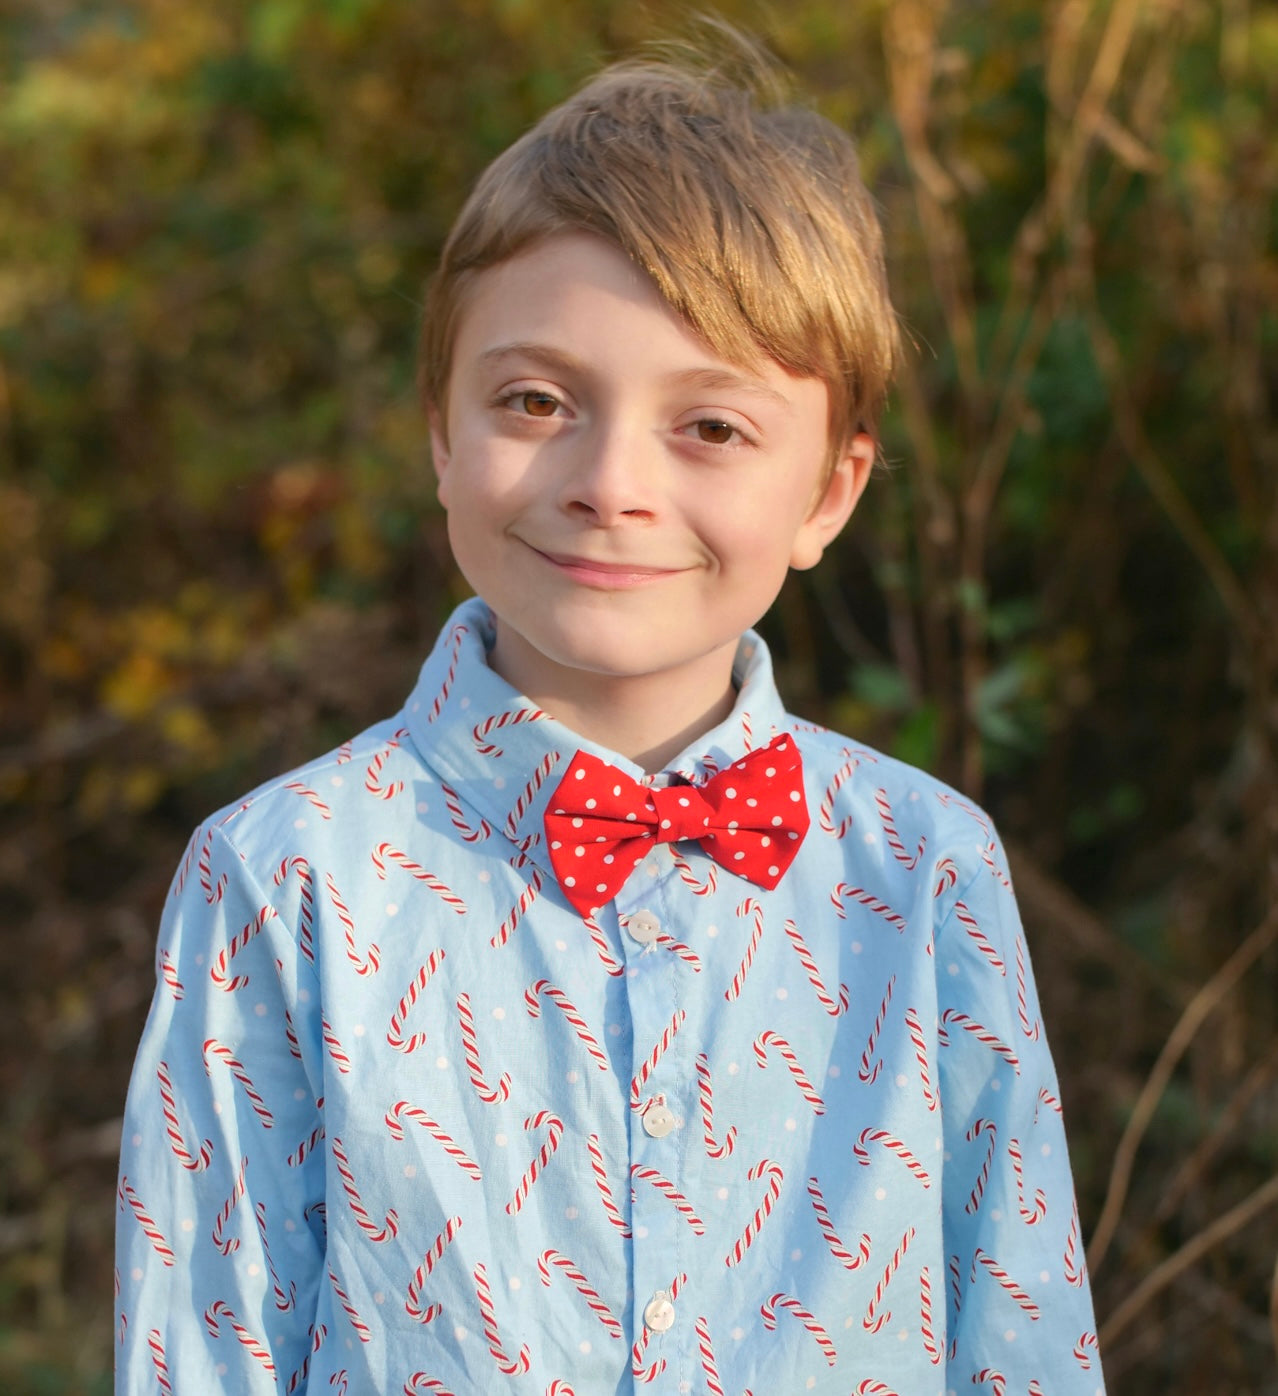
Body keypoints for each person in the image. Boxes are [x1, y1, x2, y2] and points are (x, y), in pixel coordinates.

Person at [115, 35, 1105, 1396]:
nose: (609, 484)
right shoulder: (279, 878)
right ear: (440, 436)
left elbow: (1022, 1341)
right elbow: (201, 1351)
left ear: (827, 492)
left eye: (710, 428)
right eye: (536, 402)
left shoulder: (926, 870)